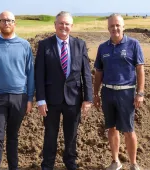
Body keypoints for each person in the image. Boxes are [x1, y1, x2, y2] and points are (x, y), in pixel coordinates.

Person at [35, 11, 93, 170]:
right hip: (51, 100)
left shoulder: (79, 44)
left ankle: (70, 163)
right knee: (50, 135)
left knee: (72, 135)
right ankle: (47, 164)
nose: (63, 26)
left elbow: (86, 73)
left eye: (67, 24)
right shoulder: (44, 45)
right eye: (60, 23)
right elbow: (39, 74)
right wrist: (40, 99)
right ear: (55, 25)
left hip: (74, 99)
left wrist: (88, 99)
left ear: (71, 26)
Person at [0, 11, 34, 170]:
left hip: (20, 97)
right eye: (3, 20)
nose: (6, 23)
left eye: (10, 20)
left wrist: (30, 98)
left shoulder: (24, 45)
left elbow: (30, 72)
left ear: (15, 23)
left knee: (13, 137)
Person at [94, 13, 145, 170]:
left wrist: (140, 93)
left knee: (129, 130)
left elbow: (140, 70)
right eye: (112, 25)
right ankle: (116, 161)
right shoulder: (103, 47)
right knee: (111, 128)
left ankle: (133, 164)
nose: (115, 28)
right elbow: (98, 73)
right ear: (108, 27)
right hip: (108, 92)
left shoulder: (134, 44)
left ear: (123, 26)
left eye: (118, 25)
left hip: (126, 93)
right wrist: (95, 93)